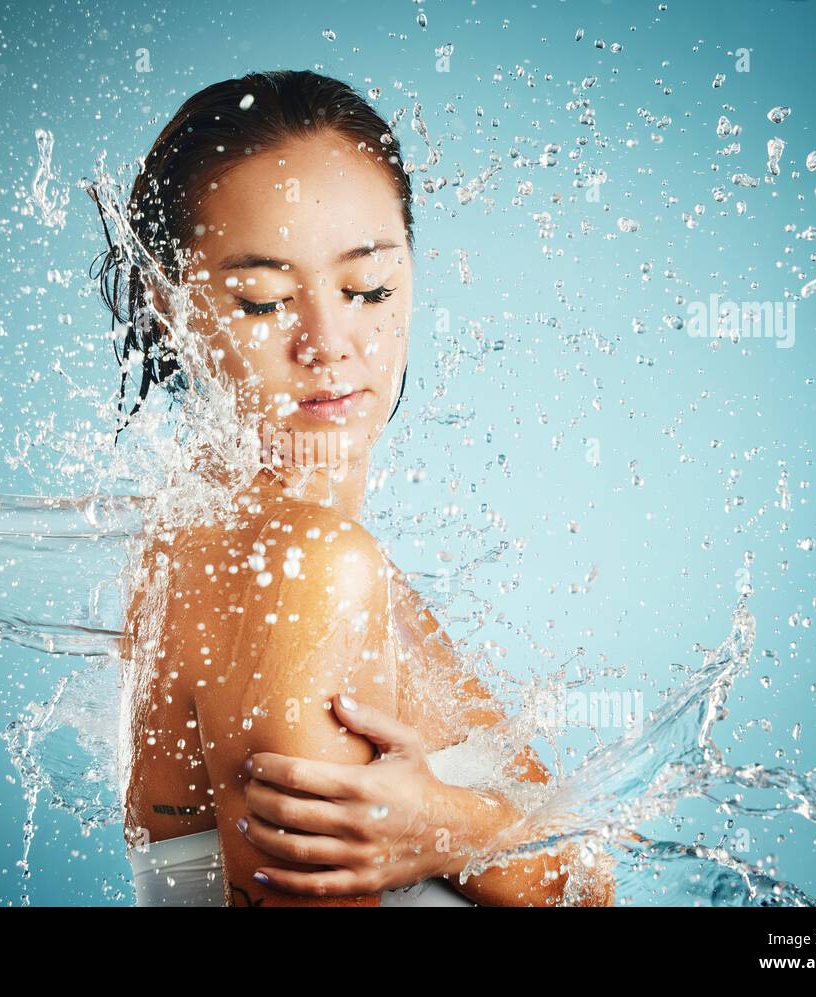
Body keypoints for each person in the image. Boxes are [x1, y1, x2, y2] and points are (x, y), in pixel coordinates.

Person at [95, 69, 615, 906]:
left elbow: (588, 883)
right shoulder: (300, 568)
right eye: (263, 302)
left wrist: (455, 825)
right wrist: (466, 831)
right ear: (169, 307)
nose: (329, 342)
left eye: (368, 287)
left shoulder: (273, 544)